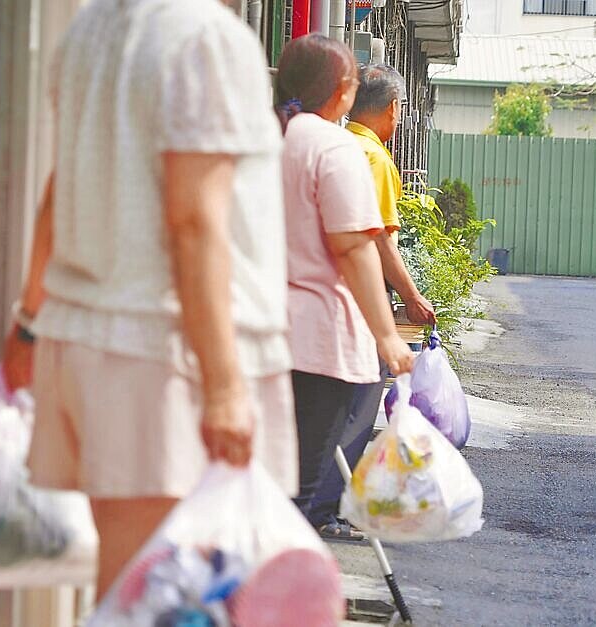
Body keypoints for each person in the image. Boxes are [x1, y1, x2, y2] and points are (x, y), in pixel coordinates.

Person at [1, 0, 295, 597]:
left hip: (100, 340)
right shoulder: (205, 39)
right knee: (158, 594)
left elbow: (61, 190)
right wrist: (225, 387)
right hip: (167, 358)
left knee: (142, 590)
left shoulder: (90, 29)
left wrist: (30, 320)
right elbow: (193, 220)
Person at [275, 35, 415, 522]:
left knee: (266, 481)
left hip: (255, 332)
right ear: (343, 90)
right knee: (299, 490)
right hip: (316, 341)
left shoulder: (265, 138)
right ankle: (280, 591)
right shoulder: (332, 146)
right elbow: (354, 246)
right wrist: (387, 336)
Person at [307, 64, 435, 540]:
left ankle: (315, 501)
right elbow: (378, 242)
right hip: (360, 297)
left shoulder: (336, 147)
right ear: (392, 109)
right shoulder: (375, 158)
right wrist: (411, 298)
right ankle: (324, 509)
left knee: (329, 404)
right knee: (360, 406)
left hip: (322, 294)